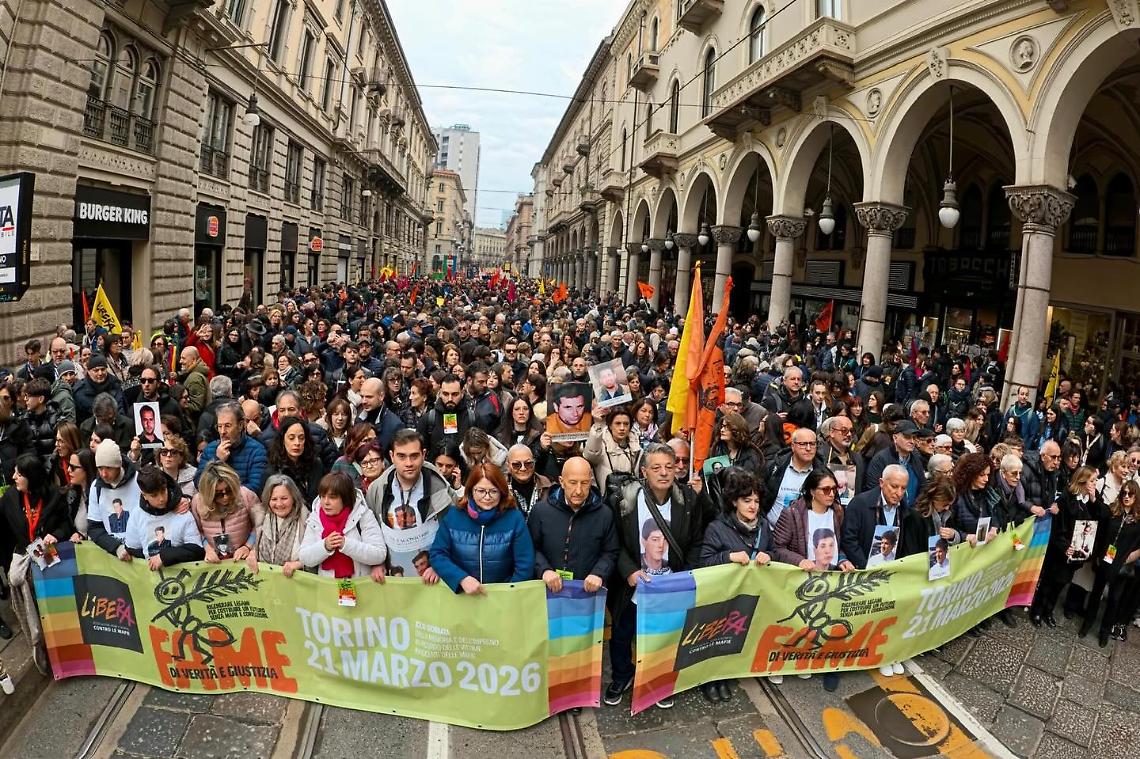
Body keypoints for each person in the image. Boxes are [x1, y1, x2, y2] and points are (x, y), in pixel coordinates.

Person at [606, 443, 708, 709]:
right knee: (622, 632)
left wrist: (685, 575)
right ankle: (621, 676)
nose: (663, 473)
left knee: (665, 636)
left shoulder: (687, 499)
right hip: (634, 584)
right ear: (644, 471)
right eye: (656, 468)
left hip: (669, 584)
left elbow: (696, 540)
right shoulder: (624, 500)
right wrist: (628, 571)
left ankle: (658, 681)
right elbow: (612, 541)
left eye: (669, 467)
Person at [771, 467, 853, 689]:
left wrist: (843, 559)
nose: (831, 494)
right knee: (794, 623)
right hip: (800, 579)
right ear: (811, 491)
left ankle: (806, 660)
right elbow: (777, 547)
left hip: (828, 577)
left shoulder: (836, 512)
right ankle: (778, 664)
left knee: (818, 623)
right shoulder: (793, 513)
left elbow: (839, 544)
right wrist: (799, 561)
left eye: (834, 489)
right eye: (825, 489)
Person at [698, 467, 771, 702]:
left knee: (733, 638)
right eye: (746, 500)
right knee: (716, 638)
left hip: (747, 598)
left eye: (756, 501)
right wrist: (728, 556)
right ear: (733, 502)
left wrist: (768, 556)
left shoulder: (764, 526)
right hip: (722, 598)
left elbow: (772, 551)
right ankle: (710, 679)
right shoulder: (717, 528)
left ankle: (725, 675)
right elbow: (704, 562)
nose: (752, 506)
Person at [365, 429, 455, 584]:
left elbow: (455, 532)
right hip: (394, 580)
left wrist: (441, 565)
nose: (408, 463)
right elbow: (370, 530)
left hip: (434, 580)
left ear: (424, 454)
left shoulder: (440, 488)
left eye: (414, 456)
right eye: (401, 456)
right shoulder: (377, 489)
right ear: (392, 456)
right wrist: (376, 562)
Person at [429, 463, 534, 594]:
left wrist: (508, 593)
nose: (487, 497)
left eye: (494, 491)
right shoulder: (454, 515)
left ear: (502, 492)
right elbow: (437, 554)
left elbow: (525, 564)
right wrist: (461, 578)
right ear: (471, 491)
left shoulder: (514, 518)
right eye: (481, 491)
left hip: (503, 598)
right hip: (462, 596)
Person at [529, 456, 618, 595]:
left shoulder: (604, 514)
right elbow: (530, 548)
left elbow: (611, 551)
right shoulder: (541, 511)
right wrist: (544, 569)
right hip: (548, 590)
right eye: (572, 483)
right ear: (562, 482)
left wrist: (599, 573)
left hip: (587, 592)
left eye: (584, 483)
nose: (578, 490)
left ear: (591, 482)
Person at [1081, 480, 1140, 645]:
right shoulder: (1114, 511)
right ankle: (1087, 625)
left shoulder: (1138, 519)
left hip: (1122, 565)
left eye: (1130, 493)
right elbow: (1099, 512)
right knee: (1095, 594)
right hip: (1105, 560)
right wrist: (1093, 496)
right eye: (1124, 493)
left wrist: (1129, 558)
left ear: (1136, 496)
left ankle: (1104, 633)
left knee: (1114, 600)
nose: (1126, 497)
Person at [299, 471, 388, 581]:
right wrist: (325, 546)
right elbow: (304, 557)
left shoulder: (363, 515)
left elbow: (379, 554)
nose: (326, 502)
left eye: (332, 497)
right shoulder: (315, 518)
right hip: (328, 590)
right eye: (322, 496)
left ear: (345, 498)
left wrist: (346, 544)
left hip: (361, 587)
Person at [124, 467, 205, 570]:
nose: (161, 499)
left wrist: (164, 556)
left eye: (163, 491)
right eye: (154, 495)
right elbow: (132, 549)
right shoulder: (137, 515)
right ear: (144, 495)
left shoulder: (182, 510)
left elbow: (197, 550)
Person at [192, 461, 263, 564]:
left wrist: (248, 546)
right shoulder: (198, 502)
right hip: (214, 561)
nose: (225, 497)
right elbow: (196, 531)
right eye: (218, 494)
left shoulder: (246, 495)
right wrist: (207, 548)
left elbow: (260, 525)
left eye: (229, 491)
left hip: (242, 558)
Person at [86, 439, 143, 559]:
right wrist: (115, 547)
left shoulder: (139, 480)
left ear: (119, 465)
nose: (104, 474)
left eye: (108, 468)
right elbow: (94, 528)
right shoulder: (96, 487)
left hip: (140, 551)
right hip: (114, 553)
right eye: (100, 468)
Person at [196, 402, 268, 495]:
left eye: (227, 426)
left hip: (243, 504)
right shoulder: (210, 449)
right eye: (219, 426)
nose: (222, 432)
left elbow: (255, 487)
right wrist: (217, 461)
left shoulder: (257, 450)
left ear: (240, 425)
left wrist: (227, 495)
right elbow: (199, 483)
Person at [256, 474, 309, 577]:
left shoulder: (306, 520)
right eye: (274, 499)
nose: (279, 504)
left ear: (293, 498)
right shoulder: (261, 517)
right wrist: (252, 553)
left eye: (284, 498)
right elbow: (255, 546)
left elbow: (314, 556)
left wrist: (299, 564)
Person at [865, 419, 926, 506]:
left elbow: (922, 487)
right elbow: (873, 489)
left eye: (914, 438)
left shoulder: (916, 459)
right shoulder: (881, 459)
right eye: (907, 437)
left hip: (912, 514)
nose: (912, 441)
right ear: (895, 438)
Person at [266, 417, 326, 503]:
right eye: (291, 438)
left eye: (301, 438)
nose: (297, 443)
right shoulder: (272, 471)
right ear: (283, 440)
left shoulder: (316, 464)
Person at [583, 405, 641, 490]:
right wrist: (598, 424)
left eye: (626, 424)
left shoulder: (636, 446)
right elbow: (590, 455)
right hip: (606, 499)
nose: (622, 428)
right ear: (610, 425)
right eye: (617, 423)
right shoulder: (600, 445)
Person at [505, 443, 552, 519]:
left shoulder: (549, 488)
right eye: (516, 465)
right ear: (508, 466)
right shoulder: (499, 489)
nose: (523, 468)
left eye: (528, 463)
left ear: (534, 464)